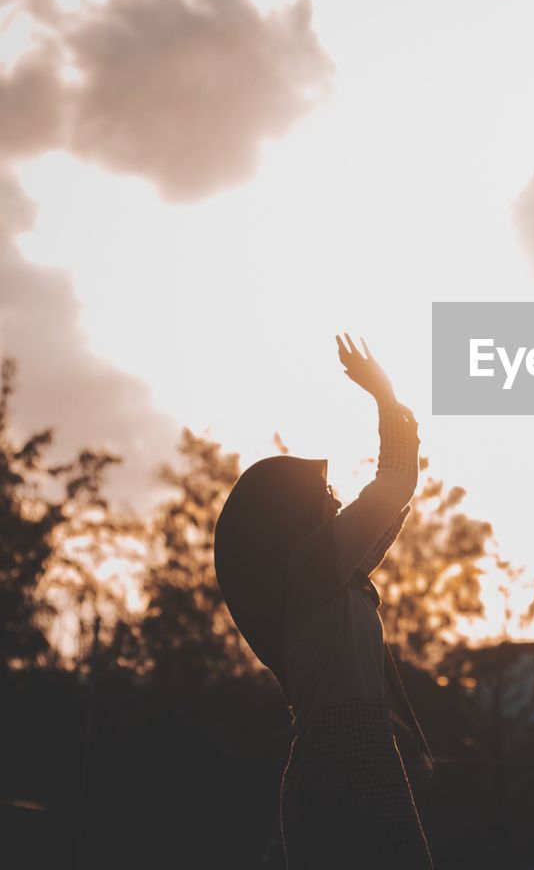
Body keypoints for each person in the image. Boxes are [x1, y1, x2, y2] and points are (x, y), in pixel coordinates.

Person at [214, 334, 433, 869]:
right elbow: (393, 485)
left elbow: (393, 498)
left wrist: (398, 415)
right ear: (291, 519)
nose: (335, 500)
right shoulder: (313, 569)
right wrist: (385, 399)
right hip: (349, 762)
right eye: (324, 496)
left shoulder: (330, 578)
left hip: (341, 758)